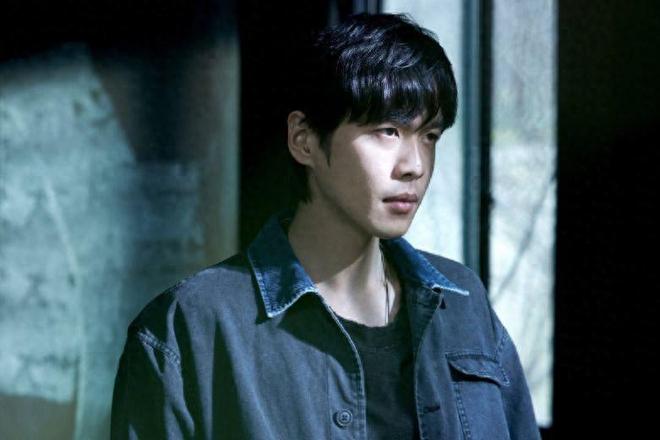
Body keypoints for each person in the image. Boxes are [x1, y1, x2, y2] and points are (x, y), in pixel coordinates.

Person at [111, 12, 541, 440]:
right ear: (304, 140)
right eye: (387, 131)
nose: (414, 165)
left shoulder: (463, 302)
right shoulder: (191, 327)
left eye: (429, 136)